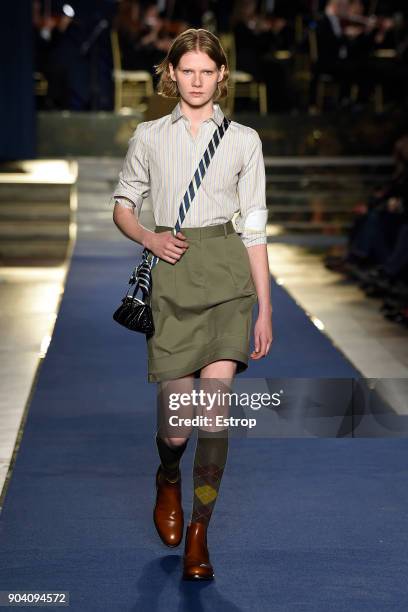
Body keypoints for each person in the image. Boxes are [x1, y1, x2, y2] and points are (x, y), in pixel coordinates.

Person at [110, 28, 273, 581]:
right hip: (174, 276)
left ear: (222, 76)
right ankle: (168, 474)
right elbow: (124, 205)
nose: (198, 80)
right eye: (188, 71)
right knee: (177, 427)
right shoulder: (150, 136)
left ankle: (201, 530)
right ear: (172, 74)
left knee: (215, 410)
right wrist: (150, 238)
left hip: (228, 278)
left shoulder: (244, 141)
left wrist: (266, 309)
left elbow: (254, 229)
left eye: (208, 71)